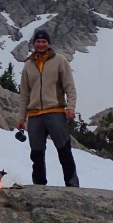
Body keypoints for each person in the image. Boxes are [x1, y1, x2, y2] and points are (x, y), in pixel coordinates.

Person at [16, 28, 80, 187]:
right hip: (35, 114)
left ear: (49, 43)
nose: (41, 44)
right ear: (34, 44)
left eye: (44, 41)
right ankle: (39, 185)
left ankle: (72, 185)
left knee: (64, 150)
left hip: (56, 111)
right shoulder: (28, 66)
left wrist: (70, 107)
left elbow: (69, 87)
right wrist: (21, 117)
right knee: (36, 154)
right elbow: (24, 93)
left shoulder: (60, 60)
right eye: (38, 41)